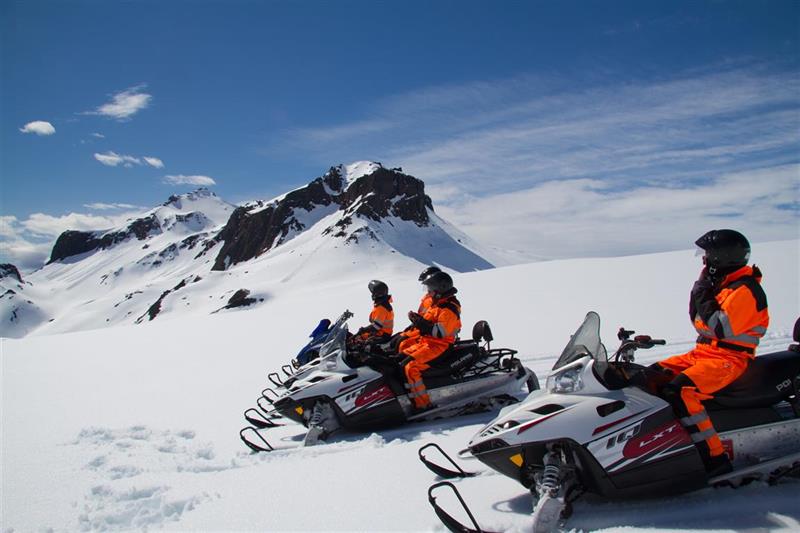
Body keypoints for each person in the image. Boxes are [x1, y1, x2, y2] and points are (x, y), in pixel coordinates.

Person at [651, 229, 769, 475]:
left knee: (681, 390)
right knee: (650, 375)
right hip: (705, 353)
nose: (703, 260)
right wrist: (703, 291)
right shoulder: (723, 286)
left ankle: (715, 459)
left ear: (721, 258)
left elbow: (717, 327)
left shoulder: (745, 290)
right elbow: (700, 322)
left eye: (707, 255)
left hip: (730, 359)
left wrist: (701, 292)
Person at [398, 270, 462, 411]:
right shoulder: (437, 303)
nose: (428, 292)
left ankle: (423, 404)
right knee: (398, 357)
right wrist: (418, 320)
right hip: (427, 342)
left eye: (430, 289)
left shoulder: (448, 309)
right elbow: (428, 322)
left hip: (440, 346)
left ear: (440, 290)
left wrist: (422, 324)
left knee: (411, 367)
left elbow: (440, 333)